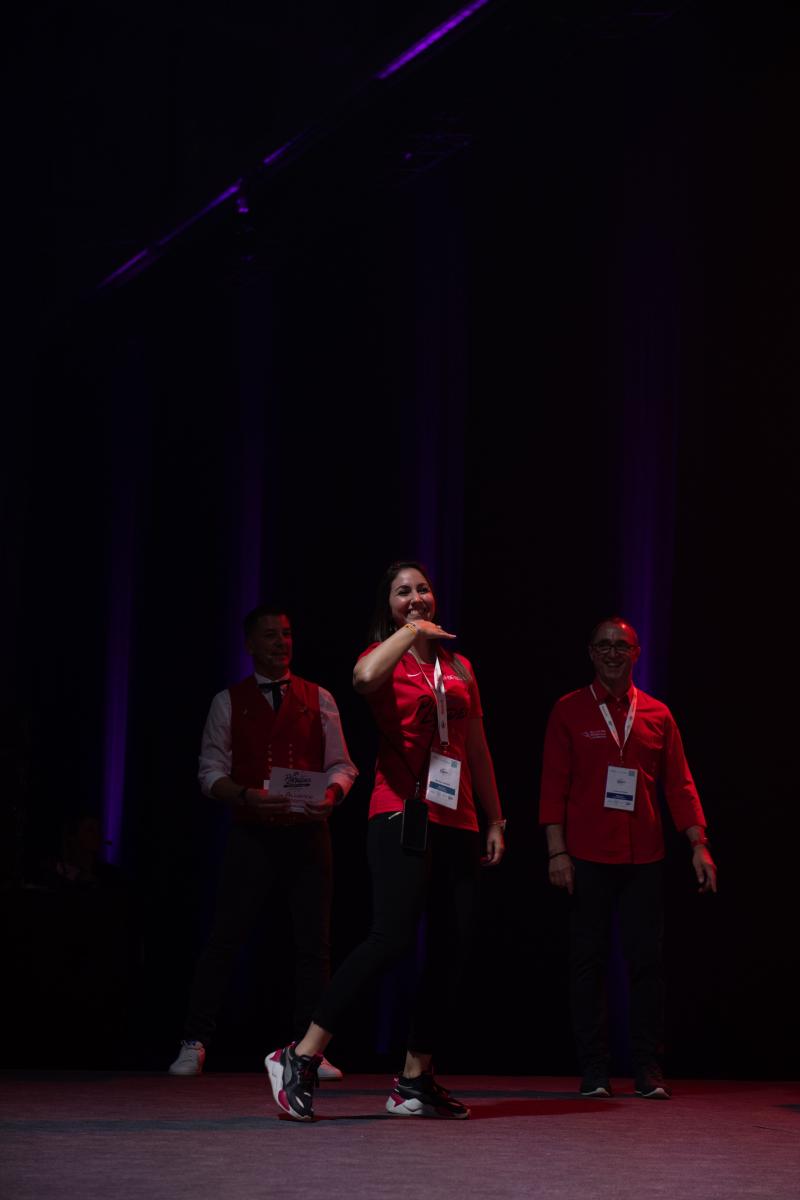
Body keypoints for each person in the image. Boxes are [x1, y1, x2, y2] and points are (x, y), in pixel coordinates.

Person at [266, 561, 506, 1121]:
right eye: (403, 593)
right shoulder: (384, 657)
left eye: (423, 589)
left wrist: (496, 817)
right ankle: (300, 1055)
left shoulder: (460, 667)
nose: (416, 597)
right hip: (401, 811)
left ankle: (414, 1079)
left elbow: (476, 746)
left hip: (459, 817)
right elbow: (362, 679)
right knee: (390, 938)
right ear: (389, 606)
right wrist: (410, 632)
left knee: (451, 947)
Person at [168, 604, 358, 1079]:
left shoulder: (320, 697)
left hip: (308, 832)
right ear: (250, 644)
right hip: (253, 832)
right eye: (271, 635)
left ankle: (309, 1051)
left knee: (314, 945)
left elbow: (342, 765)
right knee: (225, 937)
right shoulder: (228, 701)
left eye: (287, 634)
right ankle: (195, 1040)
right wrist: (247, 795)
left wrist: (332, 795)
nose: (281, 643)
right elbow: (209, 772)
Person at [539, 616, 717, 1100]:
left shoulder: (658, 714)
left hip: (644, 856)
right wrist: (557, 850)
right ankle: (594, 1069)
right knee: (587, 963)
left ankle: (647, 1066)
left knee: (647, 965)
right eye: (604, 645)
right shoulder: (569, 710)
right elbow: (553, 784)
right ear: (590, 653)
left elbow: (679, 783)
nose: (613, 653)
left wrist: (698, 844)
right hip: (586, 855)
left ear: (637, 654)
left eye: (622, 646)